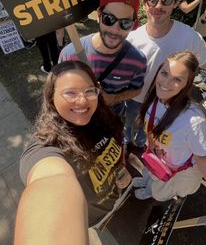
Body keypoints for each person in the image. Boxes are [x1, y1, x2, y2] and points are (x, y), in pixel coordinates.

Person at [18, 61, 131, 243]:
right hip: (92, 221)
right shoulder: (47, 147)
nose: (82, 100)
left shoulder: (103, 118)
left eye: (89, 91)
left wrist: (121, 169)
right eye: (70, 92)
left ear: (98, 91)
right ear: (50, 96)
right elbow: (49, 181)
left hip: (118, 199)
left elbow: (116, 145)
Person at [124, 0, 206, 152]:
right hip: (133, 99)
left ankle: (142, 145)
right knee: (126, 128)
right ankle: (126, 144)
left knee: (149, 136)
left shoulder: (189, 37)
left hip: (165, 102)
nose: (159, 5)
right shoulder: (131, 39)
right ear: (145, 4)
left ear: (175, 2)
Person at [133, 52, 206, 213]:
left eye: (177, 79)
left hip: (178, 170)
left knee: (160, 189)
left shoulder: (192, 120)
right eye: (164, 73)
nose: (166, 83)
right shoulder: (155, 97)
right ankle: (147, 182)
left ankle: (150, 192)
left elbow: (203, 157)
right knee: (151, 172)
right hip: (157, 155)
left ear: (186, 84)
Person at [59, 0, 147, 116]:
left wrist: (112, 98)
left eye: (125, 23)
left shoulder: (138, 61)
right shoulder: (70, 55)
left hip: (113, 118)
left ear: (133, 24)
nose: (115, 30)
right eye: (109, 19)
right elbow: (59, 91)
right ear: (99, 15)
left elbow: (136, 90)